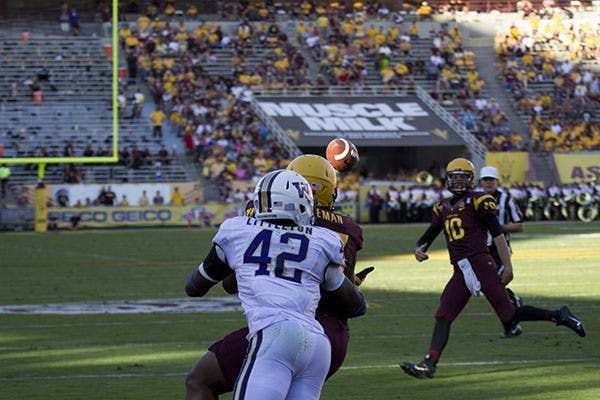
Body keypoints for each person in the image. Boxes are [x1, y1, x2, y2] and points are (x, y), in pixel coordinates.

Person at [185, 155, 372, 400]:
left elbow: (199, 287)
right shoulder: (324, 239)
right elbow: (357, 306)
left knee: (200, 380)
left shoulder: (238, 229)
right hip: (321, 344)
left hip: (275, 334)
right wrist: (348, 283)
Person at [400, 158, 585, 379]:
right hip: (461, 270)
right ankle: (429, 363)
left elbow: (498, 235)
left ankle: (559, 315)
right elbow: (432, 231)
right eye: (454, 177)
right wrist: (420, 247)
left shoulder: (479, 201)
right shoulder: (442, 206)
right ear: (448, 179)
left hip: (482, 264)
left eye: (462, 177)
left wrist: (508, 265)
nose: (458, 181)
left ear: (470, 179)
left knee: (509, 315)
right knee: (443, 314)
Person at [479, 165, 525, 337]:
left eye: (492, 180)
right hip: (481, 250)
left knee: (495, 287)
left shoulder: (505, 199)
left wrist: (498, 227)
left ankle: (511, 323)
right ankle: (512, 303)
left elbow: (519, 225)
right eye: (486, 180)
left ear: (497, 181)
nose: (489, 183)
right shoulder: (474, 199)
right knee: (491, 288)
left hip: (500, 250)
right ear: (480, 182)